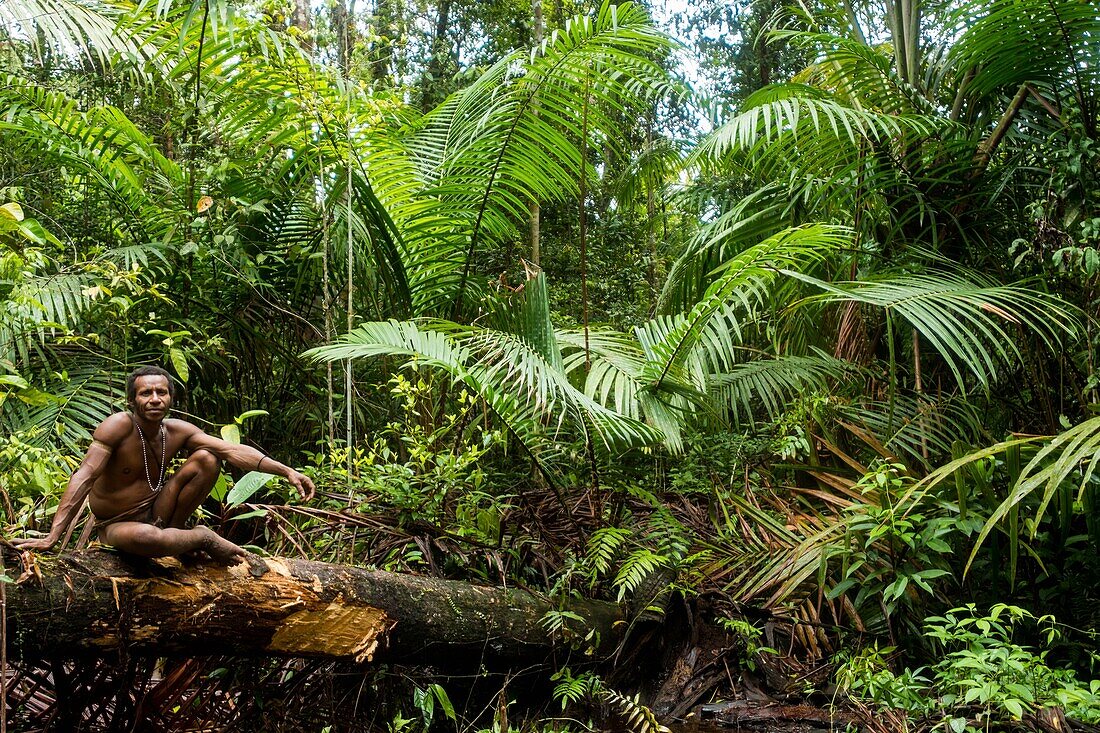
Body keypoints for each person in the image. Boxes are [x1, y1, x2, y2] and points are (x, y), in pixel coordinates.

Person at [13, 366, 315, 573]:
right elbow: (84, 476)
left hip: (159, 511)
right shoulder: (118, 425)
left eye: (162, 393)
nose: (154, 399)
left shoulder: (176, 430)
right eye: (146, 393)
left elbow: (232, 450)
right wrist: (52, 536)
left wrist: (286, 471)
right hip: (119, 524)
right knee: (147, 539)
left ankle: (176, 535)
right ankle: (200, 537)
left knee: (208, 458)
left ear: (171, 398)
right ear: (132, 399)